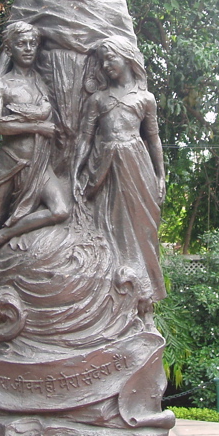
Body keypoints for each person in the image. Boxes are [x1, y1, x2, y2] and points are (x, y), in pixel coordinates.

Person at [9, 0, 137, 175]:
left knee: (91, 153)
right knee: (49, 150)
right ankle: (49, 208)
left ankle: (83, 206)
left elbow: (129, 50)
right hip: (46, 86)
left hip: (98, 85)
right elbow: (11, 42)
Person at [71, 36, 167, 314]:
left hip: (137, 168)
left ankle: (144, 301)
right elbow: (85, 140)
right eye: (102, 60)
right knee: (107, 226)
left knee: (142, 231)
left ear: (126, 58)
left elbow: (153, 139)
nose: (105, 65)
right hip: (105, 169)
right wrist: (77, 170)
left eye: (110, 57)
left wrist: (160, 175)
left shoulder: (145, 99)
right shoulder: (98, 100)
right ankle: (110, 296)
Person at [0, 22, 69, 275]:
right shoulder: (3, 85)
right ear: (10, 48)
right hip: (12, 162)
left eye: (32, 43)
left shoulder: (41, 81)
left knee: (60, 210)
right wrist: (37, 128)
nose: (28, 49)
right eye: (21, 44)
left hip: (40, 164)